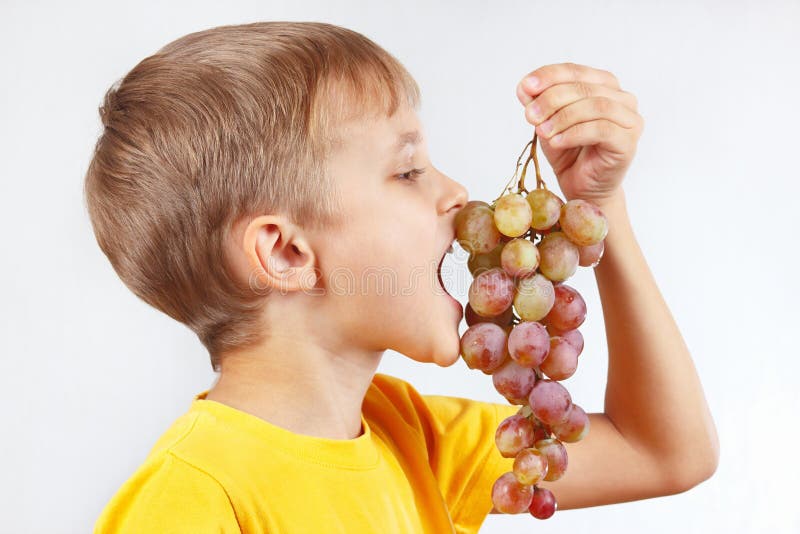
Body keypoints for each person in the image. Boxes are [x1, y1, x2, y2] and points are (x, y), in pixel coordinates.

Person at [86, 21, 719, 534]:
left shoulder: (411, 437)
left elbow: (666, 453)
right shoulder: (190, 500)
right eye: (409, 171)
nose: (457, 194)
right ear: (285, 254)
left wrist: (600, 208)